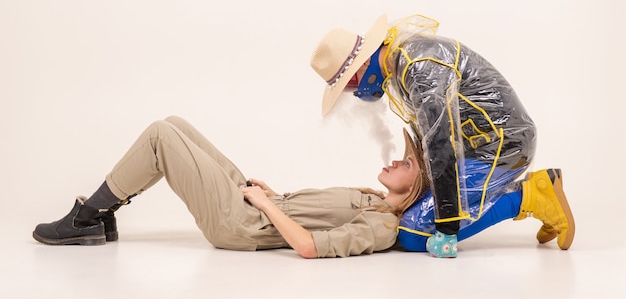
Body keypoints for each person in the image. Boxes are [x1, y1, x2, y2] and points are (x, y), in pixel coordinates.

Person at [310, 14, 575, 257]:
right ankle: (528, 193)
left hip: (501, 148)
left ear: (364, 63)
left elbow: (440, 143)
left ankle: (529, 196)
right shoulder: (401, 60)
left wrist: (447, 226)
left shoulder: (418, 67)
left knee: (413, 233)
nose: (356, 93)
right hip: (482, 145)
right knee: (413, 220)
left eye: (351, 84)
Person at [33, 116, 430, 258]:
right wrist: (275, 195)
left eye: (406, 163)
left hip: (241, 224)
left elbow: (310, 247)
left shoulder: (384, 225)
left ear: (415, 188)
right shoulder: (374, 199)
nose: (395, 161)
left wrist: (264, 206)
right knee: (175, 123)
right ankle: (103, 218)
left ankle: (87, 218)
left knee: (160, 136)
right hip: (259, 209)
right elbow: (314, 215)